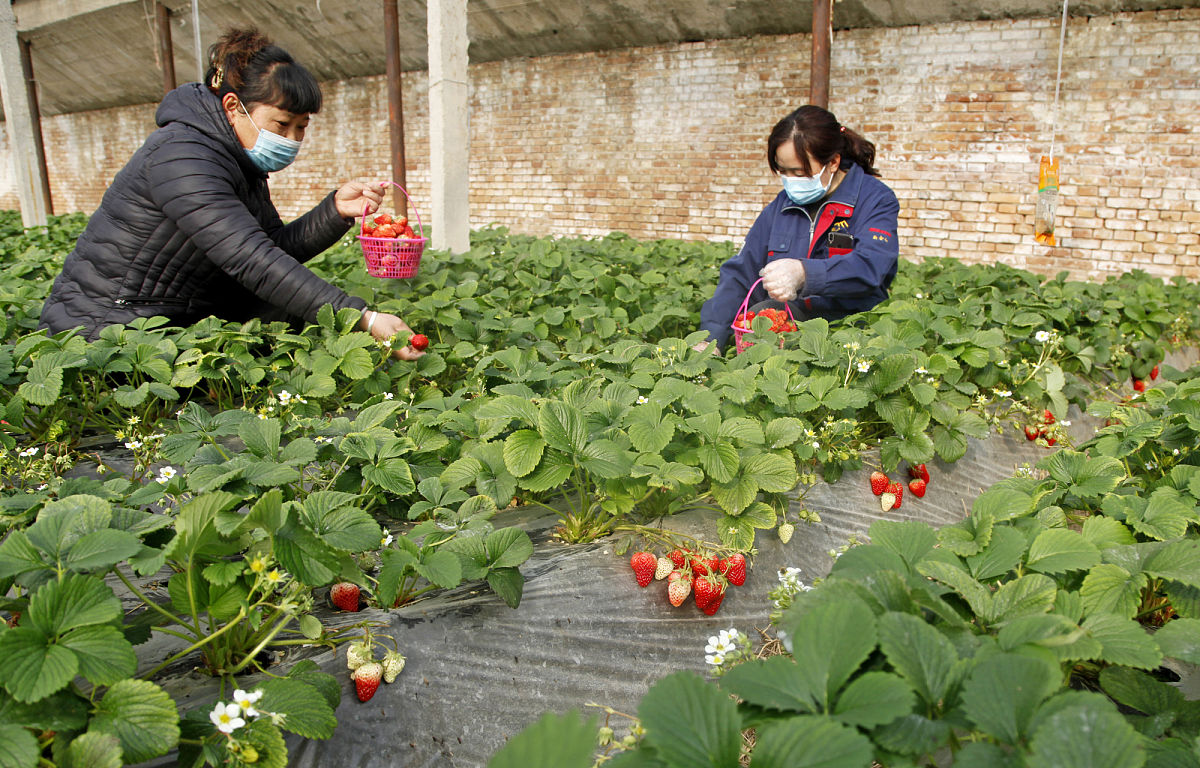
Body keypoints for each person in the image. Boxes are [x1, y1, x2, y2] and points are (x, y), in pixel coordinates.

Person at [39, 27, 423, 360]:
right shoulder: (182, 157)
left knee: (288, 313)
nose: (291, 140)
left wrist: (335, 211)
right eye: (282, 124)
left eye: (301, 127)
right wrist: (362, 317)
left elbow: (271, 247)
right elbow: (250, 259)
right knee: (281, 316)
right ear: (233, 106)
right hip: (107, 329)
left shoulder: (238, 160)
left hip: (171, 312)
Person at [697, 105, 900, 352]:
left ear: (833, 162)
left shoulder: (875, 199)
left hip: (850, 327)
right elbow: (742, 272)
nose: (791, 180)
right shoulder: (782, 206)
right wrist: (711, 339)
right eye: (783, 171)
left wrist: (805, 273)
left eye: (799, 172)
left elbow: (870, 267)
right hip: (794, 323)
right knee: (763, 316)